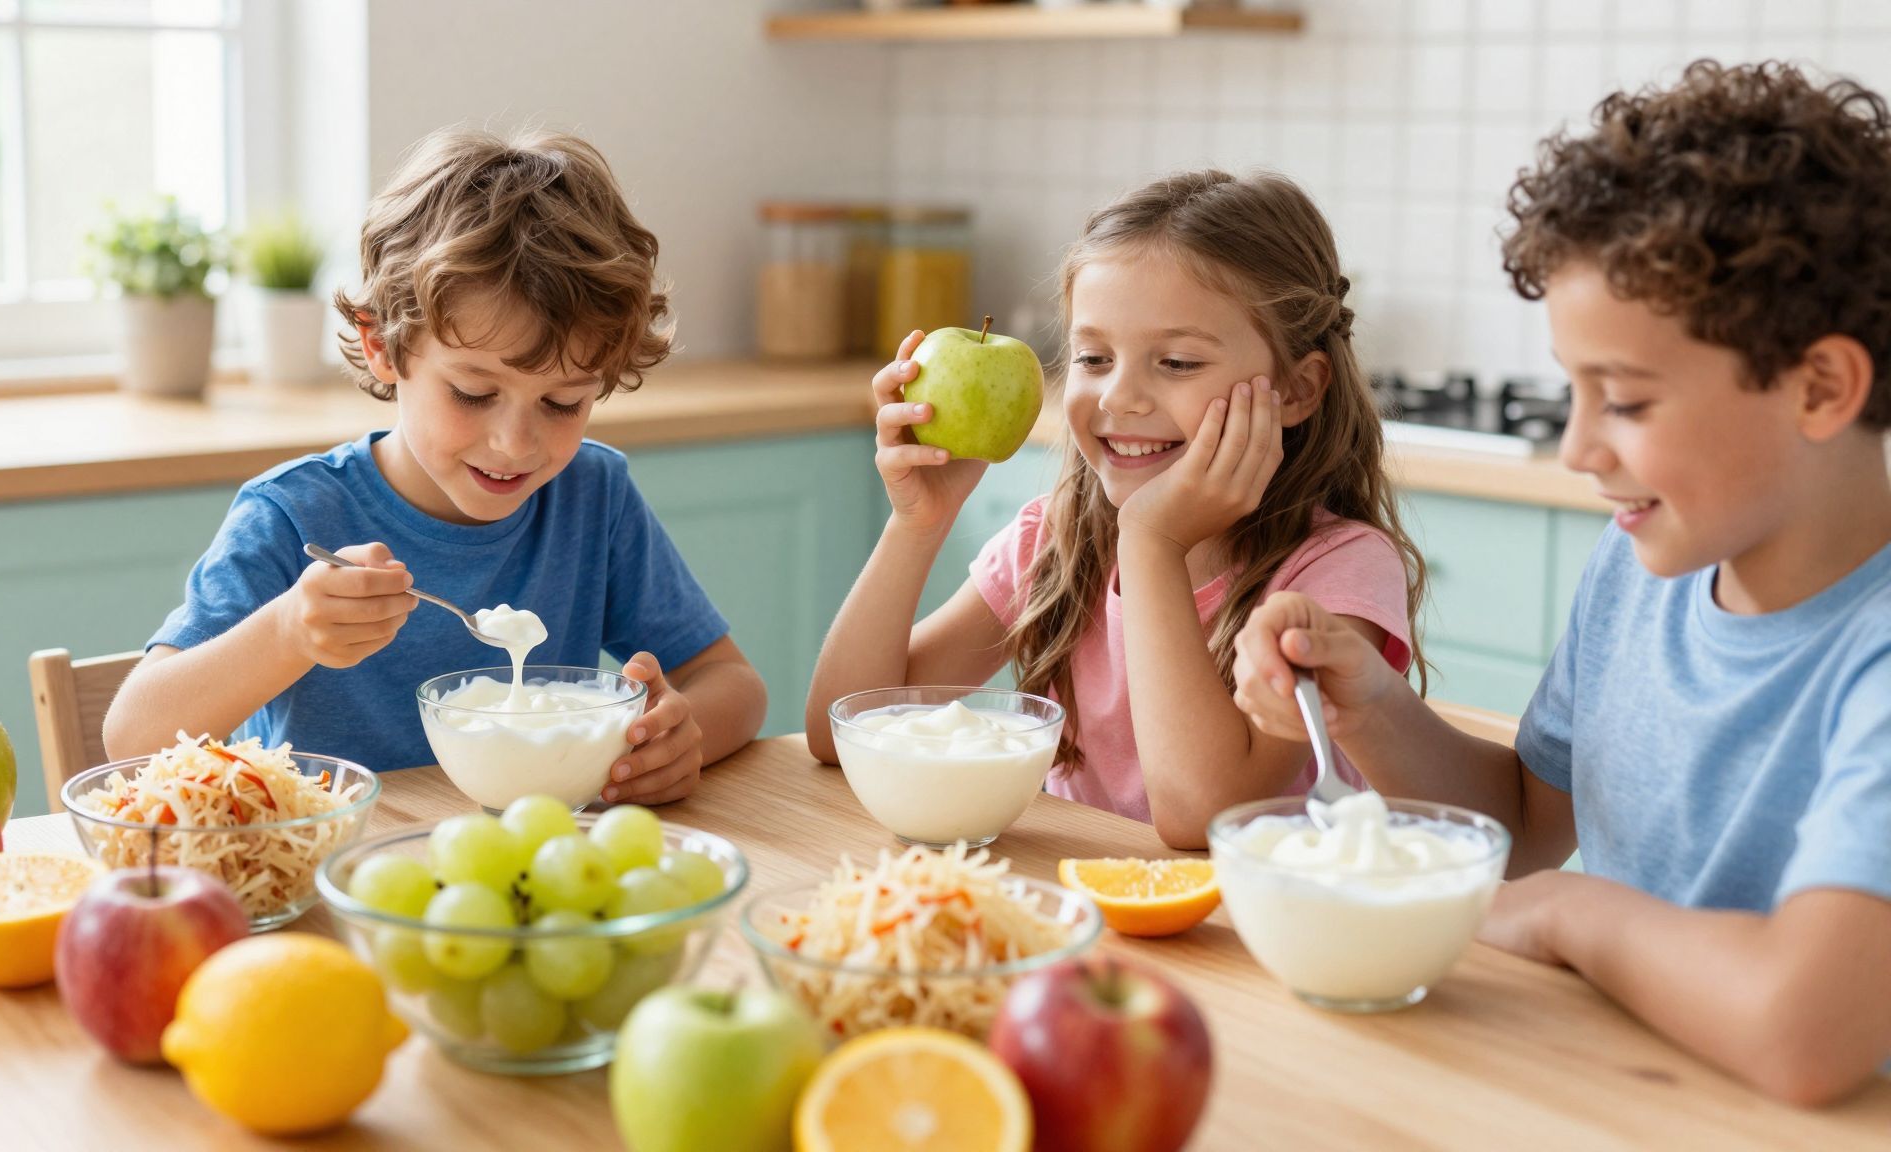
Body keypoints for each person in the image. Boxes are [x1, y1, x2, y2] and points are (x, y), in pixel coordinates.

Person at [1232, 61, 1891, 1103]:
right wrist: (1369, 707)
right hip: (1624, 1085)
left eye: (1622, 401)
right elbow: (1527, 828)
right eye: (1571, 393)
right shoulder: (1644, 566)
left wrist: (1564, 915)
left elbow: (1803, 1033)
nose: (1578, 448)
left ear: (1819, 386)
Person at [107, 129, 764, 806]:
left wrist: (675, 740)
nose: (516, 444)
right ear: (383, 346)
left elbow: (733, 684)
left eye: (563, 402)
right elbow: (131, 739)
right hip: (347, 860)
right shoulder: (294, 517)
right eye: (473, 393)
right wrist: (287, 632)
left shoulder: (592, 498)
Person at [806, 170, 1426, 848]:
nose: (1118, 397)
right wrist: (918, 524)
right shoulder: (1056, 538)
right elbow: (843, 730)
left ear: (1298, 390)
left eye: (1178, 362)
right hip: (1085, 896)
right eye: (1094, 357)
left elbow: (1201, 819)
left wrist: (1153, 541)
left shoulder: (1337, 572)